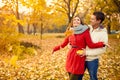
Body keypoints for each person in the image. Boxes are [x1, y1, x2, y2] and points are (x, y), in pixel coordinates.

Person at [52, 14, 106, 80]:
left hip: (79, 56)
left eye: (78, 20)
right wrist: (55, 49)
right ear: (72, 22)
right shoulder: (70, 31)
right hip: (71, 56)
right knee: (70, 75)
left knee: (75, 77)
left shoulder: (85, 31)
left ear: (81, 22)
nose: (76, 21)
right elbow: (63, 44)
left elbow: (90, 45)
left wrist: (102, 44)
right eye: (74, 19)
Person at [78, 11, 108, 80]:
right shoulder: (87, 28)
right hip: (80, 58)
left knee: (93, 78)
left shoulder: (103, 33)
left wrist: (87, 53)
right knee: (77, 77)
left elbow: (102, 50)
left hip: (92, 60)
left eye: (92, 19)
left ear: (99, 21)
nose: (90, 20)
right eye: (91, 18)